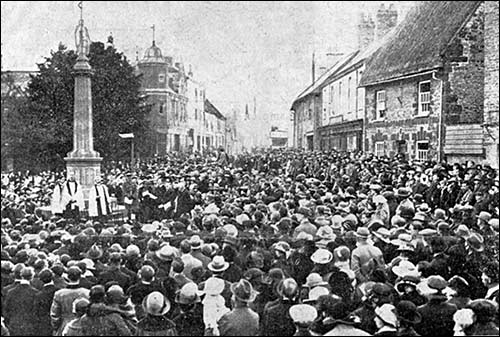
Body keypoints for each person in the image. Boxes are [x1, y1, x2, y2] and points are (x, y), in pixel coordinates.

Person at [50, 266, 90, 336]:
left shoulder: (59, 294)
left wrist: (56, 328)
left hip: (64, 325)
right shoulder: (87, 293)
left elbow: (54, 314)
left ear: (67, 277)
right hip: (83, 326)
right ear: (80, 277)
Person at [3, 266, 38, 336]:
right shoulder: (35, 293)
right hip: (30, 326)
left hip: (14, 324)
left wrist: (9, 322)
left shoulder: (10, 292)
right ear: (32, 277)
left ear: (21, 275)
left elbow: (6, 309)